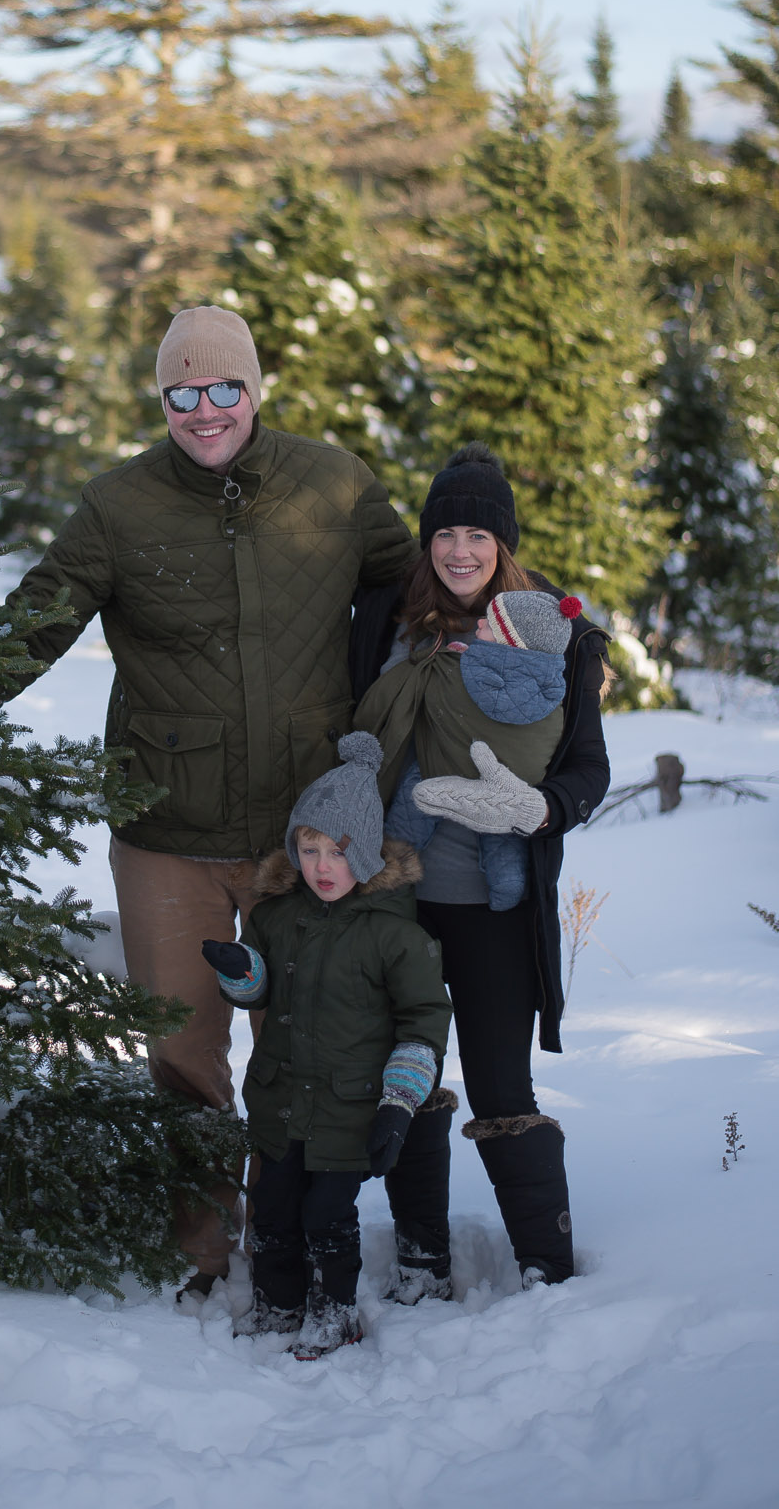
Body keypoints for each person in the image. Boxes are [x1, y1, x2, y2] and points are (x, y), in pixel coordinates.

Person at [0, 305, 419, 1293]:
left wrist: (539, 638)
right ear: (163, 398)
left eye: (225, 387)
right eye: (184, 391)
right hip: (165, 832)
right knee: (185, 1054)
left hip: (301, 832)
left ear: (255, 389)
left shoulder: (334, 482)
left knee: (304, 1047)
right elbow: (27, 630)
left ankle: (293, 1244)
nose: (206, 409)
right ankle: (200, 1253)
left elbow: (425, 588)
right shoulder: (118, 506)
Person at [348, 443, 611, 1301]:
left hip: (495, 904)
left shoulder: (554, 636)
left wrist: (537, 811)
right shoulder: (385, 621)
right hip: (395, 897)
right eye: (444, 533)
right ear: (425, 542)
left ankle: (547, 1267)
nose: (459, 550)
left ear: (503, 544)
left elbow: (585, 770)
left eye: (478, 535)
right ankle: (420, 1252)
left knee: (501, 1083)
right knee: (405, 1068)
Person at [201, 733, 452, 1356]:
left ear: (363, 853)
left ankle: (334, 1312)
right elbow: (259, 992)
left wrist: (399, 1104)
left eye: (337, 852)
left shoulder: (393, 934)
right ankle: (278, 1303)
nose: (321, 866)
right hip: (283, 1103)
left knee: (327, 1219)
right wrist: (240, 969)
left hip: (351, 1108)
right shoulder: (276, 916)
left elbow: (424, 1020)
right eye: (309, 849)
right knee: (276, 1209)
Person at [358, 585, 583, 912]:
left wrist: (454, 657)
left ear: (511, 642)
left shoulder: (475, 666)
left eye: (489, 626)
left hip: (453, 765)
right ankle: (507, 884)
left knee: (417, 795)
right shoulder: (552, 681)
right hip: (511, 784)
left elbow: (461, 683)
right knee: (501, 833)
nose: (479, 626)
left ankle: (389, 865)